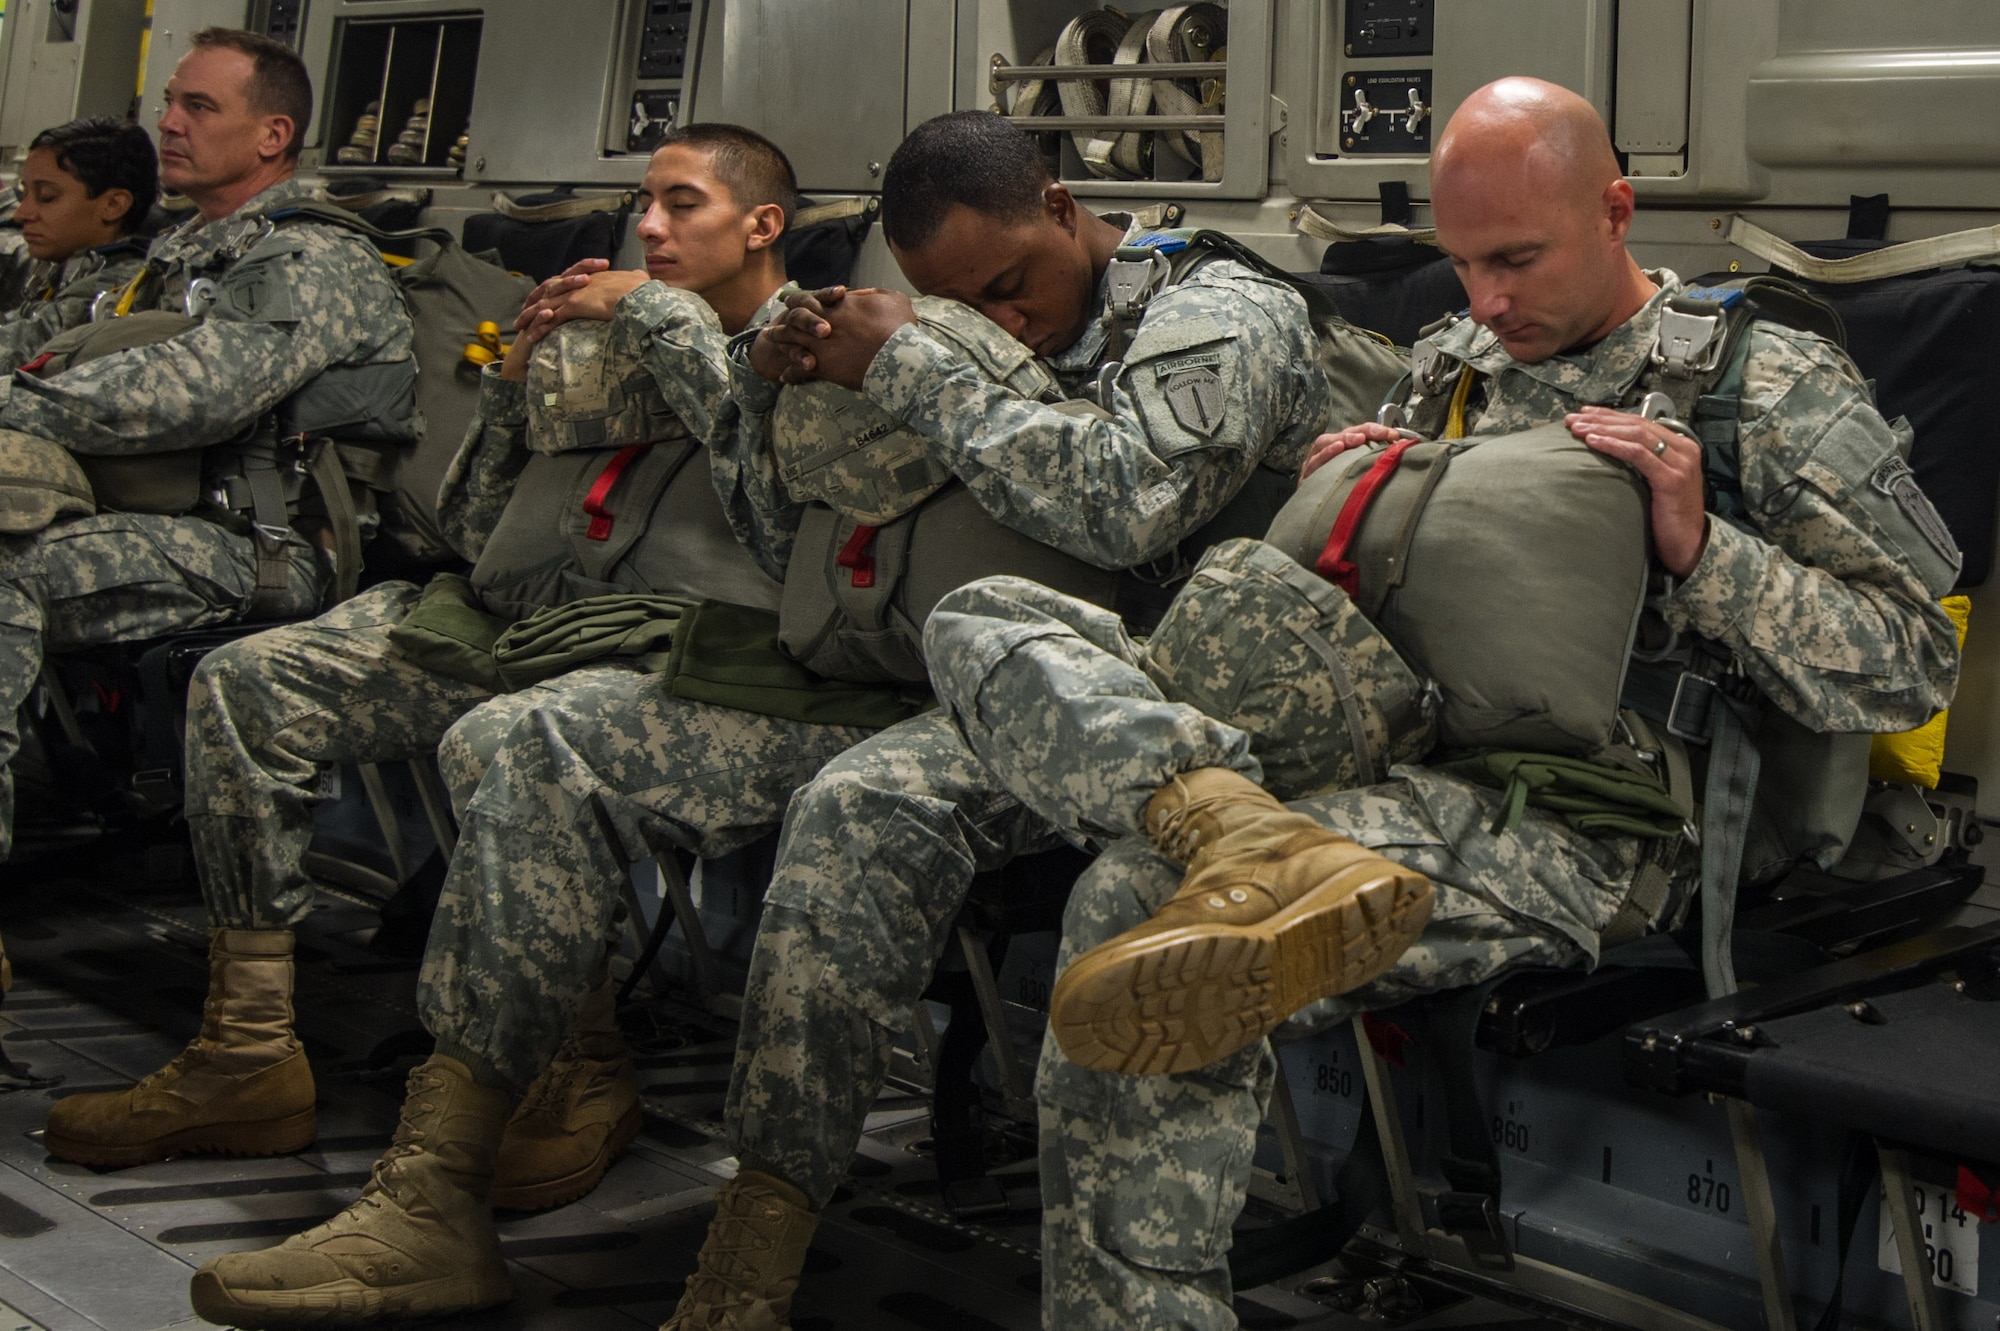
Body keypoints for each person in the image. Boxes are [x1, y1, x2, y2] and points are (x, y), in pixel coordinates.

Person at [918, 77, 1964, 1327]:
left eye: (1515, 260)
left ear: (1617, 210)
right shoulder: (1440, 364)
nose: (1485, 303)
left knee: (1139, 908)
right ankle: (1216, 809)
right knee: (982, 619)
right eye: (1460, 265)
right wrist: (1340, 506)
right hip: (1390, 736)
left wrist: (1704, 554)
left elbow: (1909, 659)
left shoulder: (1765, 383)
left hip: (1591, 813)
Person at [661, 110, 1379, 1329]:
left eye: (1010, 286)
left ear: (1058, 207)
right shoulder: (969, 322)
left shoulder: (1213, 311)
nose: (1000, 320)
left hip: (1216, 691)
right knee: (853, 803)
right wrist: (772, 387)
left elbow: (1128, 507)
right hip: (1052, 677)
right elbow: (795, 531)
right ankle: (753, 1249)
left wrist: (914, 366)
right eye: (959, 303)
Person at [154, 123, 805, 1329]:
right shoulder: (604, 330)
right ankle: (247, 1047)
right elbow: (468, 518)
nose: (647, 229)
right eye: (640, 205)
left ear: (761, 226)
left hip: (680, 646)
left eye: (680, 204)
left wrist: (656, 323)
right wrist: (513, 391)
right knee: (249, 681)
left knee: (527, 738)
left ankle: (568, 1063)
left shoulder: (806, 344)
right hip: (519, 618)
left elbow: (770, 491)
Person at [0, 29, 415, 864]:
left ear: (273, 136)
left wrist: (18, 403)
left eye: (199, 106)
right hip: (149, 515)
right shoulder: (185, 250)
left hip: (258, 542)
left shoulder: (310, 256)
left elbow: (195, 395)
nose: (171, 124)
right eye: (169, 103)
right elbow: (50, 338)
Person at [0, 117, 159, 364]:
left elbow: (19, 348)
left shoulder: (117, 288)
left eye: (46, 197)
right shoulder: (66, 265)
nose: (22, 214)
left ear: (113, 205)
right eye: (25, 193)